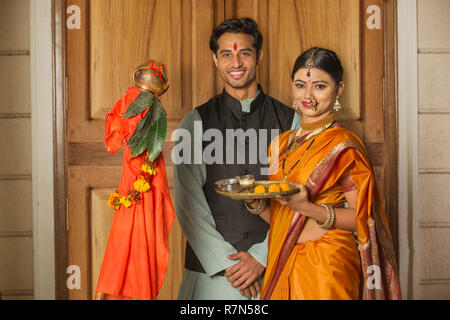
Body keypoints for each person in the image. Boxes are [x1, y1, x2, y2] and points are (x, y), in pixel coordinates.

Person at [246, 47, 402, 300]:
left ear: (338, 90)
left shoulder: (344, 146)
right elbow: (282, 218)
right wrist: (253, 201)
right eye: (300, 85)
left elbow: (363, 219)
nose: (308, 95)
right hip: (283, 259)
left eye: (319, 86)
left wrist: (307, 208)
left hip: (327, 266)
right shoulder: (279, 145)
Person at [172, 17, 301, 300]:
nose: (236, 62)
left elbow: (301, 197)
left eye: (244, 52)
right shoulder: (194, 122)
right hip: (211, 275)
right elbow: (188, 205)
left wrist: (261, 257)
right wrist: (228, 264)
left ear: (259, 56)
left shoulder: (292, 122)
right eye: (226, 54)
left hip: (273, 268)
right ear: (215, 60)